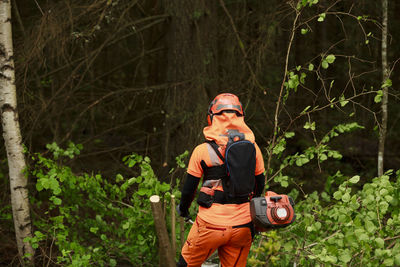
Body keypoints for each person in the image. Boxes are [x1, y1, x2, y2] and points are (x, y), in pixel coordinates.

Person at [177, 93, 265, 267]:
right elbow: (259, 185)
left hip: (210, 225)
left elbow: (189, 190)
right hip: (243, 227)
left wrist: (183, 210)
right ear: (241, 118)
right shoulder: (254, 148)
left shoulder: (202, 151)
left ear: (212, 118)